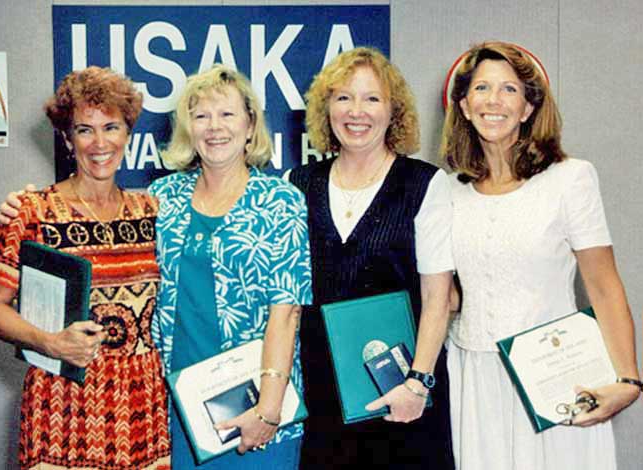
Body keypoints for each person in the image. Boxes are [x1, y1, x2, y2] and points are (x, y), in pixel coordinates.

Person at [440, 41, 641, 470]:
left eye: (509, 90)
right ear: (463, 103)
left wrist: (627, 380)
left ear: (529, 107)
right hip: (475, 379)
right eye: (481, 88)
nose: (494, 101)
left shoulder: (570, 179)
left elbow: (604, 287)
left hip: (555, 375)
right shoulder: (448, 191)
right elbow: (452, 293)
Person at [0, 66, 170, 469]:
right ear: (67, 139)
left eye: (111, 127)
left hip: (143, 407)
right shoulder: (32, 212)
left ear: (128, 134)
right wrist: (49, 342)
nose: (99, 142)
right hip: (61, 405)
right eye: (84, 130)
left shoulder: (152, 212)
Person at [289, 47, 455, 468]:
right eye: (343, 97)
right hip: (322, 400)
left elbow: (439, 298)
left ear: (393, 111)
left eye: (371, 98)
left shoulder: (425, 184)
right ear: (326, 109)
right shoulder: (298, 183)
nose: (356, 111)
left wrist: (418, 383)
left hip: (403, 395)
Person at [148, 64, 312, 469]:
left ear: (251, 122)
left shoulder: (280, 200)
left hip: (254, 407)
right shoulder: (161, 196)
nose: (214, 127)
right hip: (178, 410)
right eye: (201, 116)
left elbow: (287, 311)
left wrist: (269, 410)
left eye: (227, 114)